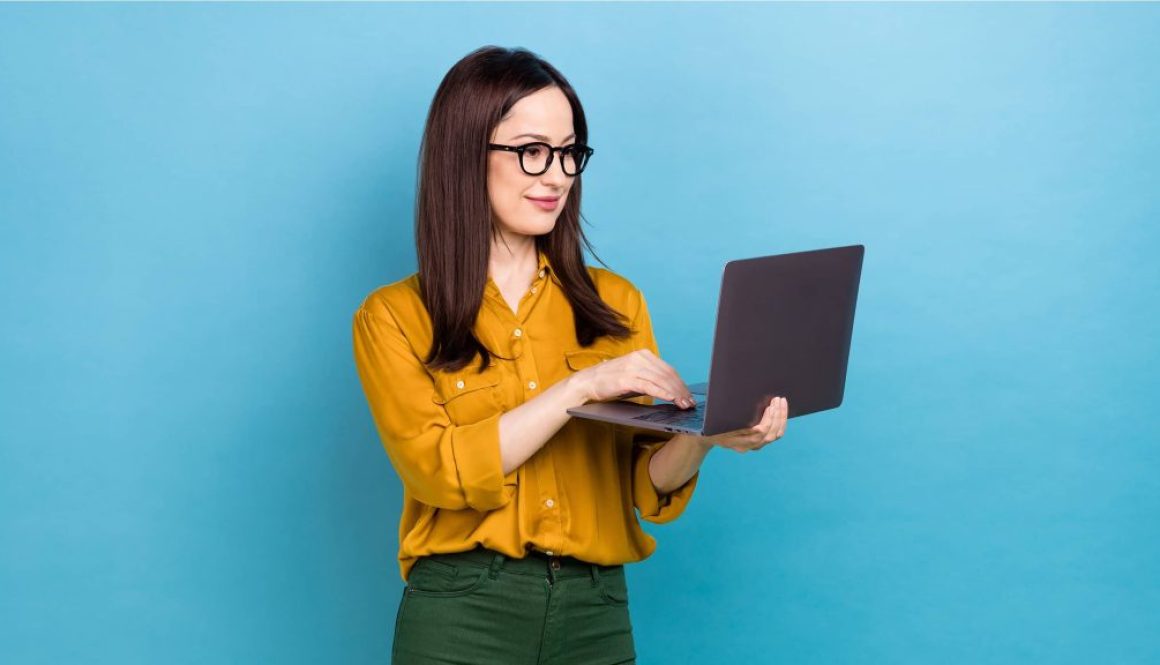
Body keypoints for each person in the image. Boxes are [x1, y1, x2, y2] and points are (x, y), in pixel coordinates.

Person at [352, 45, 789, 665]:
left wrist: (704, 437)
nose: (557, 175)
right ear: (464, 154)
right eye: (532, 151)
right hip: (462, 613)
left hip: (595, 611)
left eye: (569, 152)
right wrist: (579, 388)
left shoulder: (617, 305)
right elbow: (442, 473)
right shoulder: (394, 316)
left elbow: (645, 486)